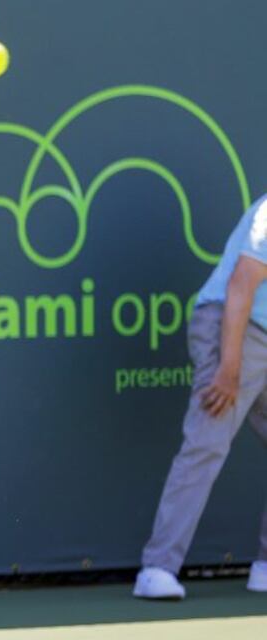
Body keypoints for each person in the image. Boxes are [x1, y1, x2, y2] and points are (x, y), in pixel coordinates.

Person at [134, 195, 267, 599]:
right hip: (233, 330)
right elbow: (241, 285)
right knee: (207, 443)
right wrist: (228, 368)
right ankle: (157, 568)